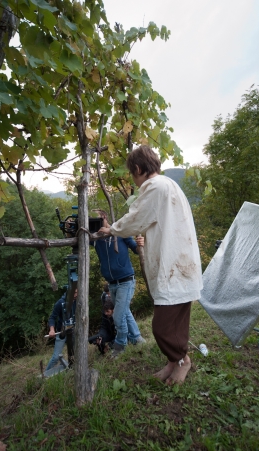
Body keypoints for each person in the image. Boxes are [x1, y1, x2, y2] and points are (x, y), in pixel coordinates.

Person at [99, 145, 203, 384]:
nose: (133, 180)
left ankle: (182, 362)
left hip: (173, 264)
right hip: (181, 261)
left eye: (132, 174)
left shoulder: (155, 187)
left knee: (162, 326)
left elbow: (136, 219)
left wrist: (112, 229)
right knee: (177, 320)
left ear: (137, 168)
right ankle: (173, 362)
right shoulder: (170, 184)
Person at [92, 211, 146, 358]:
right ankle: (137, 338)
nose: (98, 222)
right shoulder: (95, 238)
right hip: (112, 284)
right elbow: (77, 238)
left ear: (105, 217)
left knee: (118, 317)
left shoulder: (121, 232)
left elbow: (135, 249)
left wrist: (141, 244)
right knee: (125, 312)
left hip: (126, 280)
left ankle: (120, 346)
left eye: (100, 218)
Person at [46, 288, 77, 370]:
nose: (76, 295)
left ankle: (72, 371)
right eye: (74, 293)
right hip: (61, 332)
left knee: (75, 354)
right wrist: (52, 330)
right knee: (56, 357)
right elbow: (52, 318)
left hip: (73, 332)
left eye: (77, 292)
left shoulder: (78, 301)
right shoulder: (60, 303)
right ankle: (44, 375)